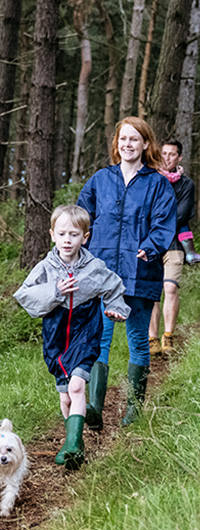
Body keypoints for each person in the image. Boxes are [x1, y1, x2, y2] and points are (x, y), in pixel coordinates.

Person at [77, 117, 177, 429]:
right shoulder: (101, 180)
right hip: (101, 272)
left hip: (139, 270)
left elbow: (164, 223)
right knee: (99, 339)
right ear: (116, 144)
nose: (128, 144)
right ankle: (94, 407)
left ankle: (133, 409)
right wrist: (80, 240)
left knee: (136, 337)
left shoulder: (157, 184)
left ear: (146, 144)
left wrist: (151, 245)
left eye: (134, 139)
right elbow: (83, 215)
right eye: (123, 139)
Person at [14, 205, 130, 470]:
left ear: (85, 237)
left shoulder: (94, 267)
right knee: (66, 397)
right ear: (53, 235)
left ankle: (74, 446)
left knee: (77, 386)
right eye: (62, 233)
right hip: (56, 337)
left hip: (85, 331)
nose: (68, 240)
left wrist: (117, 310)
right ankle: (78, 428)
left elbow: (114, 288)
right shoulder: (45, 268)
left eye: (74, 234)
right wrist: (54, 291)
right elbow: (25, 295)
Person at [149, 139, 198, 357]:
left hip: (175, 243)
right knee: (152, 293)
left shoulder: (186, 184)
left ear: (179, 157)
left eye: (172, 154)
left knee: (170, 288)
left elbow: (182, 214)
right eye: (164, 153)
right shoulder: (150, 180)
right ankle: (152, 338)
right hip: (150, 243)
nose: (167, 157)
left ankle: (168, 335)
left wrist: (157, 219)